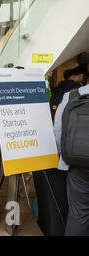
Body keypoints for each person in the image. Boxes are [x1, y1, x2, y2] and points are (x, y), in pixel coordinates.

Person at [53, 75, 89, 235]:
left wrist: (65, 157)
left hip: (77, 163)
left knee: (78, 213)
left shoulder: (72, 95)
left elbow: (58, 132)